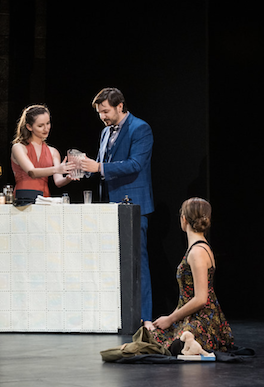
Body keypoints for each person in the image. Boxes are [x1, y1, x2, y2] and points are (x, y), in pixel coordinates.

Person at [79, 88, 155, 328]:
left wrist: (98, 167)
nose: (103, 116)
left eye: (106, 111)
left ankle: (145, 318)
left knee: (137, 263)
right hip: (107, 205)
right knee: (110, 263)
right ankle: (115, 315)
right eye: (100, 112)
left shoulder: (140, 128)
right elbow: (104, 165)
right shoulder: (104, 132)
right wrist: (82, 169)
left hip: (132, 204)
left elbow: (134, 165)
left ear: (120, 106)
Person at [150, 197, 234, 352]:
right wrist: (170, 318)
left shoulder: (197, 252)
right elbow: (186, 299)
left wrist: (170, 319)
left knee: (169, 344)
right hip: (191, 315)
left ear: (183, 220)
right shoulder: (197, 249)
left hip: (202, 319)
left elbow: (201, 299)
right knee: (153, 335)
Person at [11, 104, 76, 202]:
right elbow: (31, 172)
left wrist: (69, 178)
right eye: (40, 126)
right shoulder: (19, 147)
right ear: (29, 127)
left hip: (44, 198)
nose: (46, 129)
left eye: (48, 123)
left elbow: (58, 181)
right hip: (23, 198)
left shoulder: (53, 151)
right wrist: (57, 169)